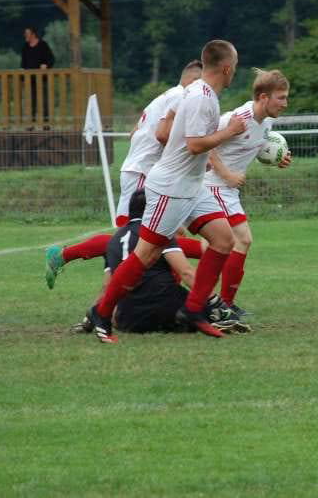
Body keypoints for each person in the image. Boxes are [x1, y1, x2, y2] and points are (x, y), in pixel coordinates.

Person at [84, 40, 247, 342]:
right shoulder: (201, 97)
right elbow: (194, 144)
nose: (234, 72)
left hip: (192, 184)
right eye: (234, 67)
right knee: (145, 255)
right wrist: (229, 132)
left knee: (224, 240)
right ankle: (102, 314)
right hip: (171, 188)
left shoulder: (193, 92)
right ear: (227, 68)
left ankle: (195, 309)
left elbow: (162, 132)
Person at [44, 60, 204, 290]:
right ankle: (63, 256)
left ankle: (178, 281)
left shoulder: (164, 97)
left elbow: (134, 133)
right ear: (194, 81)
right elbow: (161, 136)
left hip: (140, 170)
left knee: (156, 235)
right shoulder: (181, 97)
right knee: (131, 238)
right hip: (143, 173)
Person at [72, 190, 243, 337]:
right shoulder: (159, 233)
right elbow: (186, 273)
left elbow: (107, 287)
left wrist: (93, 315)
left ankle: (95, 317)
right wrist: (214, 300)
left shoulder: (113, 241)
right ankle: (215, 317)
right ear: (153, 209)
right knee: (199, 309)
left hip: (129, 321)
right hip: (167, 308)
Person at [206, 68, 291, 318]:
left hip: (227, 190)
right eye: (281, 97)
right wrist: (227, 175)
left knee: (222, 244)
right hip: (212, 186)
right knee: (241, 239)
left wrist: (278, 158)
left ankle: (221, 303)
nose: (285, 104)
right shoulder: (237, 119)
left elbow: (257, 145)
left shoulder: (267, 121)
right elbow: (206, 145)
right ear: (263, 98)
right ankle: (220, 303)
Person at [21, 26, 55, 122]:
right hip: (29, 79)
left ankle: (46, 123)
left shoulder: (43, 45)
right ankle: (31, 123)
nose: (25, 35)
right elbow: (23, 64)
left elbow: (51, 59)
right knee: (30, 102)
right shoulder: (25, 47)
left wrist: (46, 65)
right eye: (25, 34)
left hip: (42, 79)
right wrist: (23, 77)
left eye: (27, 34)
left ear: (33, 34)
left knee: (44, 101)